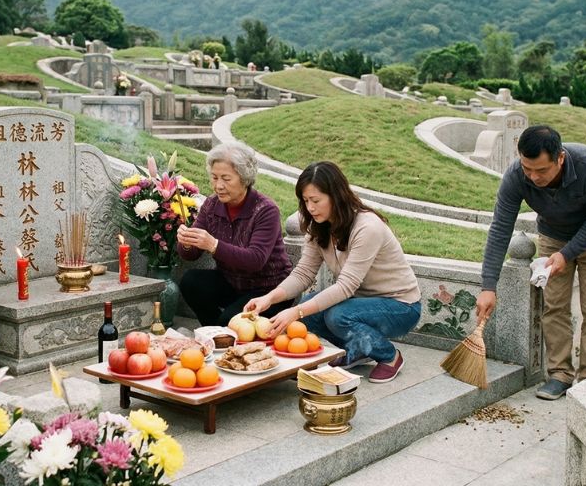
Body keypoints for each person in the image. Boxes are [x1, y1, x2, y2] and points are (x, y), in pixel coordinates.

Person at [476, 125, 586, 401]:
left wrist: (568, 254)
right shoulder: (517, 175)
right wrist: (488, 286)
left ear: (560, 158)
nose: (533, 176)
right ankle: (560, 375)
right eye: (527, 168)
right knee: (554, 306)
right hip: (553, 235)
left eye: (541, 170)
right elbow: (500, 228)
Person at [245, 161, 421, 383]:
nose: (310, 207)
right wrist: (268, 299)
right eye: (306, 201)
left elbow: (346, 286)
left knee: (336, 315)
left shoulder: (367, 227)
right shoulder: (318, 226)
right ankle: (358, 349)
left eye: (316, 200)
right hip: (360, 302)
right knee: (310, 311)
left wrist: (296, 311)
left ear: (336, 196)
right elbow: (303, 273)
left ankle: (389, 356)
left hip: (401, 306)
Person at [176, 142, 293, 326]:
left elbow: (256, 260)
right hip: (232, 283)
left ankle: (225, 332)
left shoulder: (265, 209)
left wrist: (213, 245)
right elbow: (191, 255)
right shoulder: (212, 205)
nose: (218, 185)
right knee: (191, 281)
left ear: (245, 178)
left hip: (268, 290)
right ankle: (216, 334)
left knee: (229, 320)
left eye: (226, 178)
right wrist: (186, 242)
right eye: (214, 178)